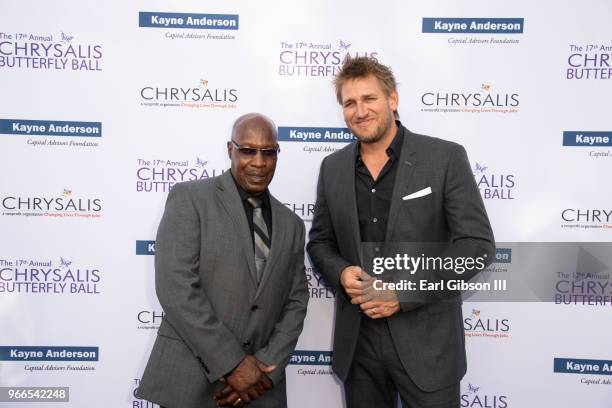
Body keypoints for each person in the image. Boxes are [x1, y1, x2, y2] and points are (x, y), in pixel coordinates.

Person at [307, 57, 495, 408]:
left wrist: (402, 293)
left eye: (369, 99)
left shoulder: (444, 158)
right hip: (358, 347)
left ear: (392, 99)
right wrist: (341, 271)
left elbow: (477, 247)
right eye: (350, 103)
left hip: (428, 346)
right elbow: (320, 242)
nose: (360, 111)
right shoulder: (332, 167)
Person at [138, 113, 309, 408]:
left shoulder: (291, 224)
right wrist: (233, 364)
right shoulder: (190, 198)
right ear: (230, 150)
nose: (258, 162)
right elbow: (175, 288)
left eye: (268, 152)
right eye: (248, 151)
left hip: (260, 390)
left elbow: (296, 302)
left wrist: (267, 370)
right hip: (190, 385)